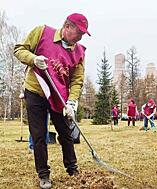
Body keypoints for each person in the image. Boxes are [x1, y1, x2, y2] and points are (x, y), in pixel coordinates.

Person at [14, 13, 90, 189]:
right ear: (67, 26)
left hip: (59, 96)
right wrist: (33, 59)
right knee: (39, 135)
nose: (80, 37)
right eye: (79, 33)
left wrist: (72, 103)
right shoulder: (42, 32)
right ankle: (44, 174)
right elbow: (19, 49)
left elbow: (77, 80)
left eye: (83, 35)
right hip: (35, 91)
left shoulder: (79, 52)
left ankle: (72, 169)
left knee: (66, 133)